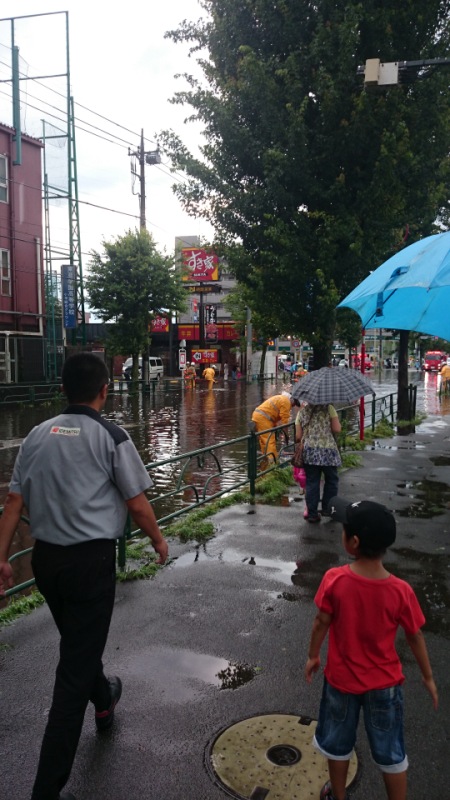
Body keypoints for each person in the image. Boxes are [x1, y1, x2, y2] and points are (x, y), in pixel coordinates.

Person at [0, 353, 168, 800]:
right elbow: (135, 501)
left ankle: (105, 697)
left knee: (78, 643)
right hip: (91, 564)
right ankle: (45, 788)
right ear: (105, 389)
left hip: (47, 562)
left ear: (62, 390)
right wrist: (158, 541)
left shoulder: (35, 435)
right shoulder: (111, 436)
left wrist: (1, 558)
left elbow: (14, 503)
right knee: (72, 671)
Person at [305, 496, 438, 800]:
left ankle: (338, 796)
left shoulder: (334, 580)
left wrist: (314, 656)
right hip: (385, 685)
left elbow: (320, 622)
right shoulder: (401, 591)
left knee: (338, 745)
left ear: (353, 542)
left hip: (341, 682)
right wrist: (428, 677)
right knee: (390, 751)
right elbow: (415, 635)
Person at [295, 403, 341, 523]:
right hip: (328, 451)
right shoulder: (330, 408)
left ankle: (312, 514)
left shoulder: (301, 412)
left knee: (312, 482)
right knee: (331, 480)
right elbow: (337, 429)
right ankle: (327, 509)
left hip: (310, 452)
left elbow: (298, 436)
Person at [251, 392, 299, 466]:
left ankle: (265, 462)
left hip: (260, 416)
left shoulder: (282, 399)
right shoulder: (286, 402)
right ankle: (272, 464)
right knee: (270, 441)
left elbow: (274, 413)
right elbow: (284, 422)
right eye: (294, 404)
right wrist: (286, 435)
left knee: (264, 442)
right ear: (292, 400)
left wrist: (276, 426)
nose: (293, 406)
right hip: (263, 418)